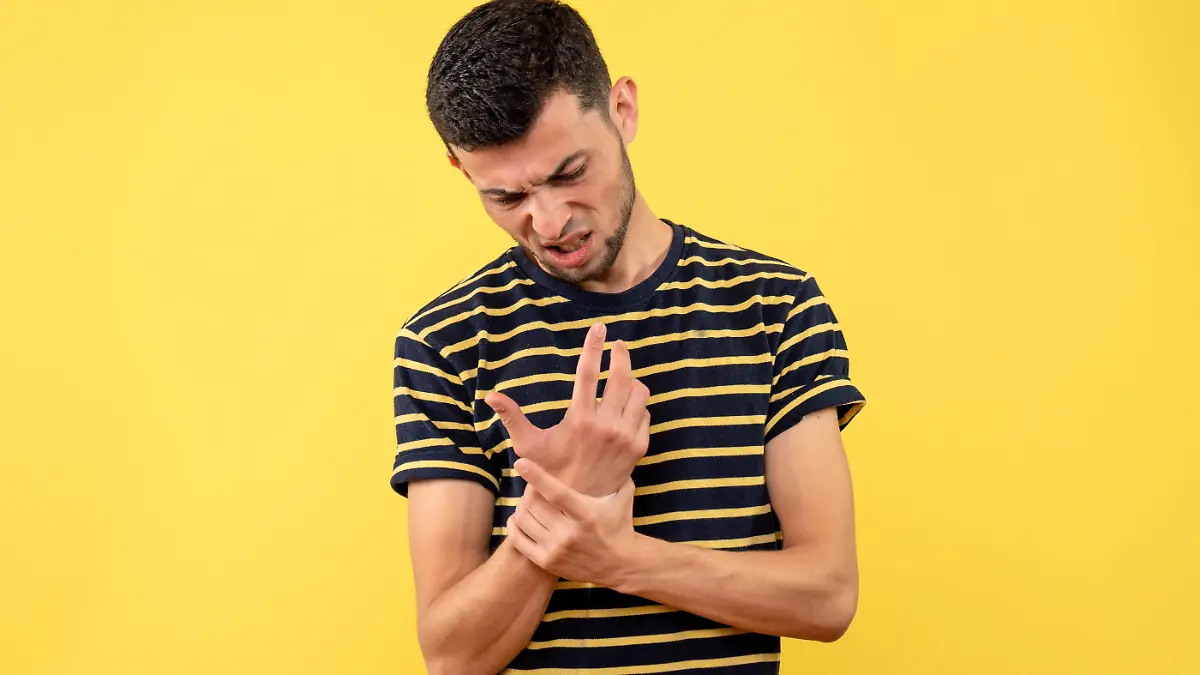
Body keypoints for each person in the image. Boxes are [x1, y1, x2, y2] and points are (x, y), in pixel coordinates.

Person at [390, 1, 867, 673]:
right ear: (462, 172)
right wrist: (565, 489)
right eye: (507, 198)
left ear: (623, 110)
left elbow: (828, 596)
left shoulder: (777, 306)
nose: (550, 221)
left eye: (569, 172)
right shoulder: (443, 342)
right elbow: (453, 656)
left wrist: (622, 558)